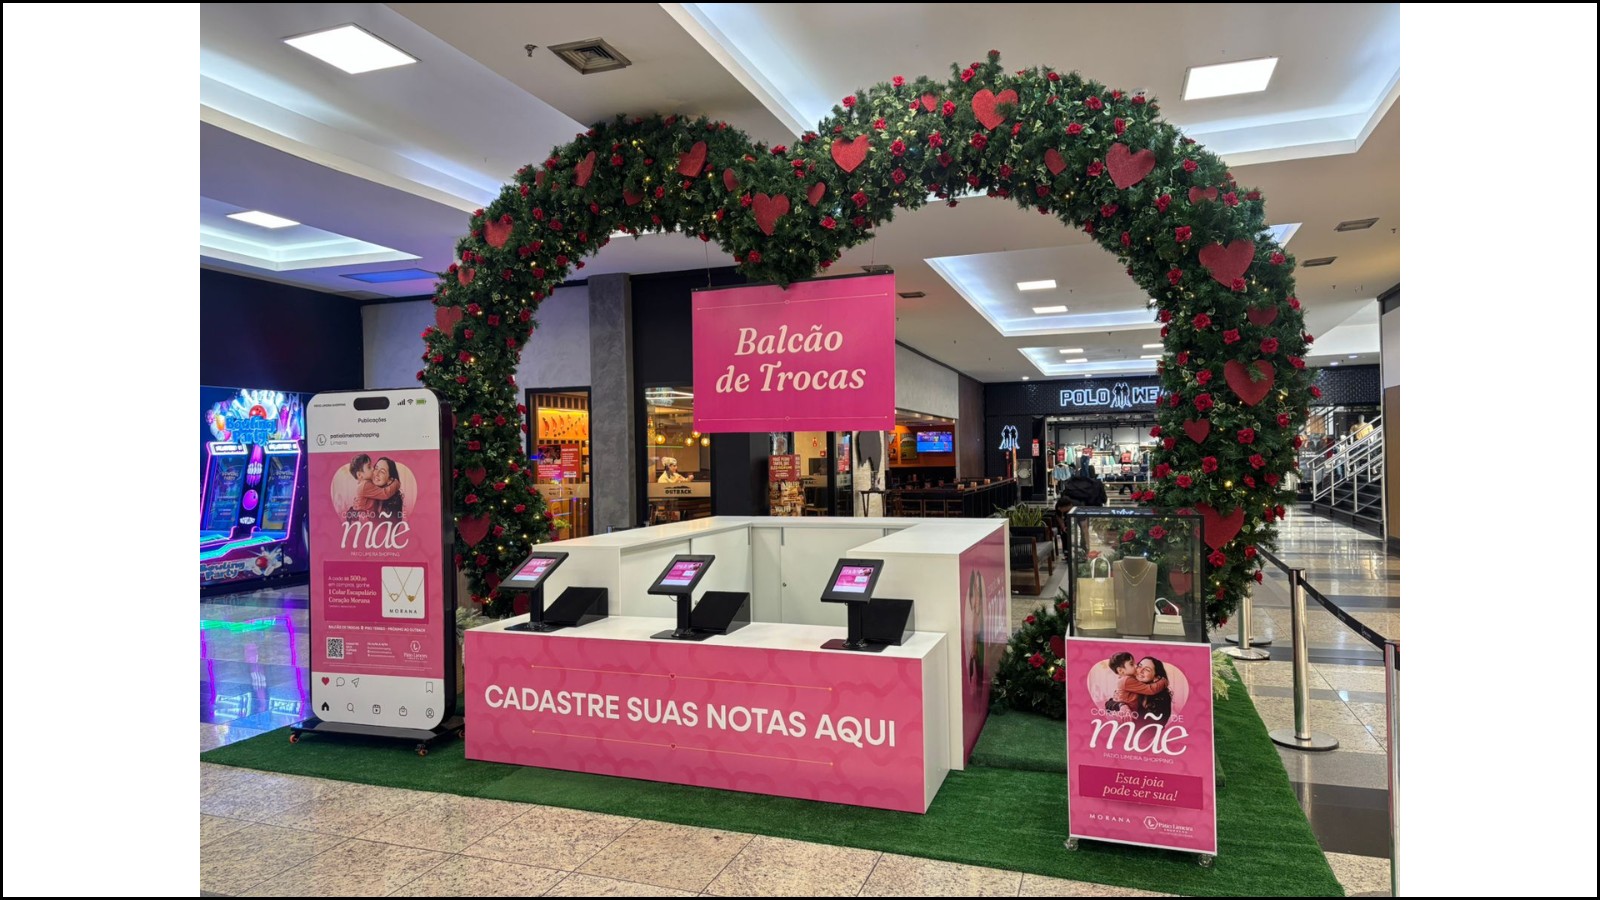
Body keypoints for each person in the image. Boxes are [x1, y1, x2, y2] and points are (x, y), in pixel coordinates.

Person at [1105, 651, 1169, 720]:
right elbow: (1109, 703)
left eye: (1147, 669)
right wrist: (1163, 681)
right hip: (1125, 718)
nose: (1136, 667)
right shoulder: (1127, 680)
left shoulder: (1162, 700)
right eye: (1139, 666)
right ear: (1121, 671)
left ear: (1156, 677)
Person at [346, 453, 400, 520]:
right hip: (366, 518)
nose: (372, 469)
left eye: (382, 472)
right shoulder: (365, 485)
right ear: (360, 475)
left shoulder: (366, 483)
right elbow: (385, 493)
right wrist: (396, 483)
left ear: (390, 479)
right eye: (369, 467)